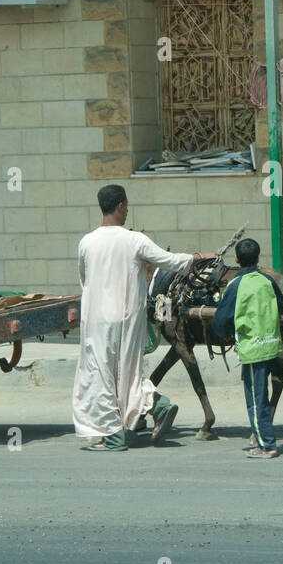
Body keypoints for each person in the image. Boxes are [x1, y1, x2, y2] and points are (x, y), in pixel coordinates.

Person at [72, 184, 215, 452]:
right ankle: (157, 405)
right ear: (120, 206)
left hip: (96, 319)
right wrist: (200, 257)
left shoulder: (86, 242)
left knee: (100, 374)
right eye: (126, 206)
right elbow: (171, 261)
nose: (127, 211)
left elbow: (84, 279)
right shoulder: (135, 240)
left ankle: (113, 435)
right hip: (129, 318)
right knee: (128, 371)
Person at [211, 238, 283, 459]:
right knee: (259, 396)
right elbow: (280, 306)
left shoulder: (235, 285)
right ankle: (262, 438)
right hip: (271, 344)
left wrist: (227, 332)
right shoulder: (267, 281)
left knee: (256, 400)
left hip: (253, 349)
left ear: (236, 259)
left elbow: (220, 321)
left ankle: (267, 445)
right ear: (258, 258)